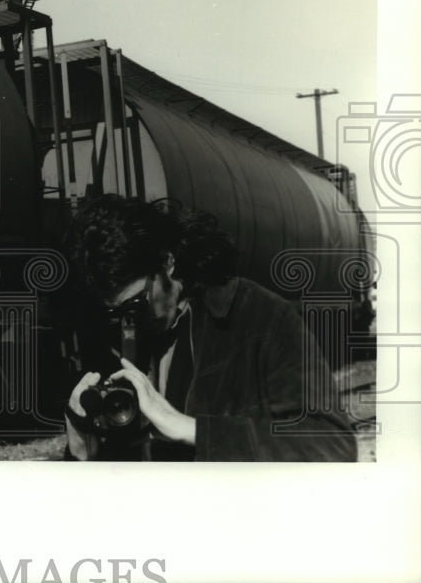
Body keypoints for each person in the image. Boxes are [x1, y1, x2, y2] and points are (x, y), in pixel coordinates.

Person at [63, 194, 357, 461]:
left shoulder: (257, 317)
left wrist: (192, 429)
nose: (130, 321)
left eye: (138, 303)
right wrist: (81, 448)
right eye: (116, 312)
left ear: (167, 263)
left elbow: (332, 444)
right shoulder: (117, 337)